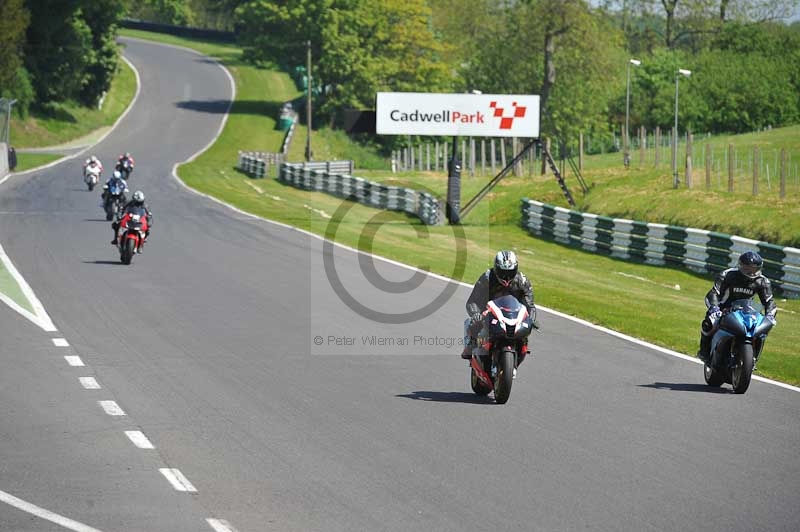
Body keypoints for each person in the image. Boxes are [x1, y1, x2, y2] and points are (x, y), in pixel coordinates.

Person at [461, 251, 537, 375]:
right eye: (503, 273)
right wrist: (476, 313)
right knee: (473, 323)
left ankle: (518, 354)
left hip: (513, 315)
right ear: (496, 269)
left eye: (510, 273)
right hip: (489, 312)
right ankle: (470, 347)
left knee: (526, 331)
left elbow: (530, 304)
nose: (506, 277)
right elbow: (472, 301)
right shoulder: (487, 277)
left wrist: (531, 318)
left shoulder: (522, 281)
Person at [697, 251, 777, 365]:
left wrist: (769, 315)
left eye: (755, 269)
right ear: (740, 265)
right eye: (747, 268)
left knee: (761, 330)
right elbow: (714, 293)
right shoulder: (727, 275)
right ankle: (704, 352)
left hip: (747, 310)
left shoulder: (763, 281)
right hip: (723, 308)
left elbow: (769, 301)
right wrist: (714, 308)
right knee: (709, 324)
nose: (751, 272)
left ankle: (753, 358)